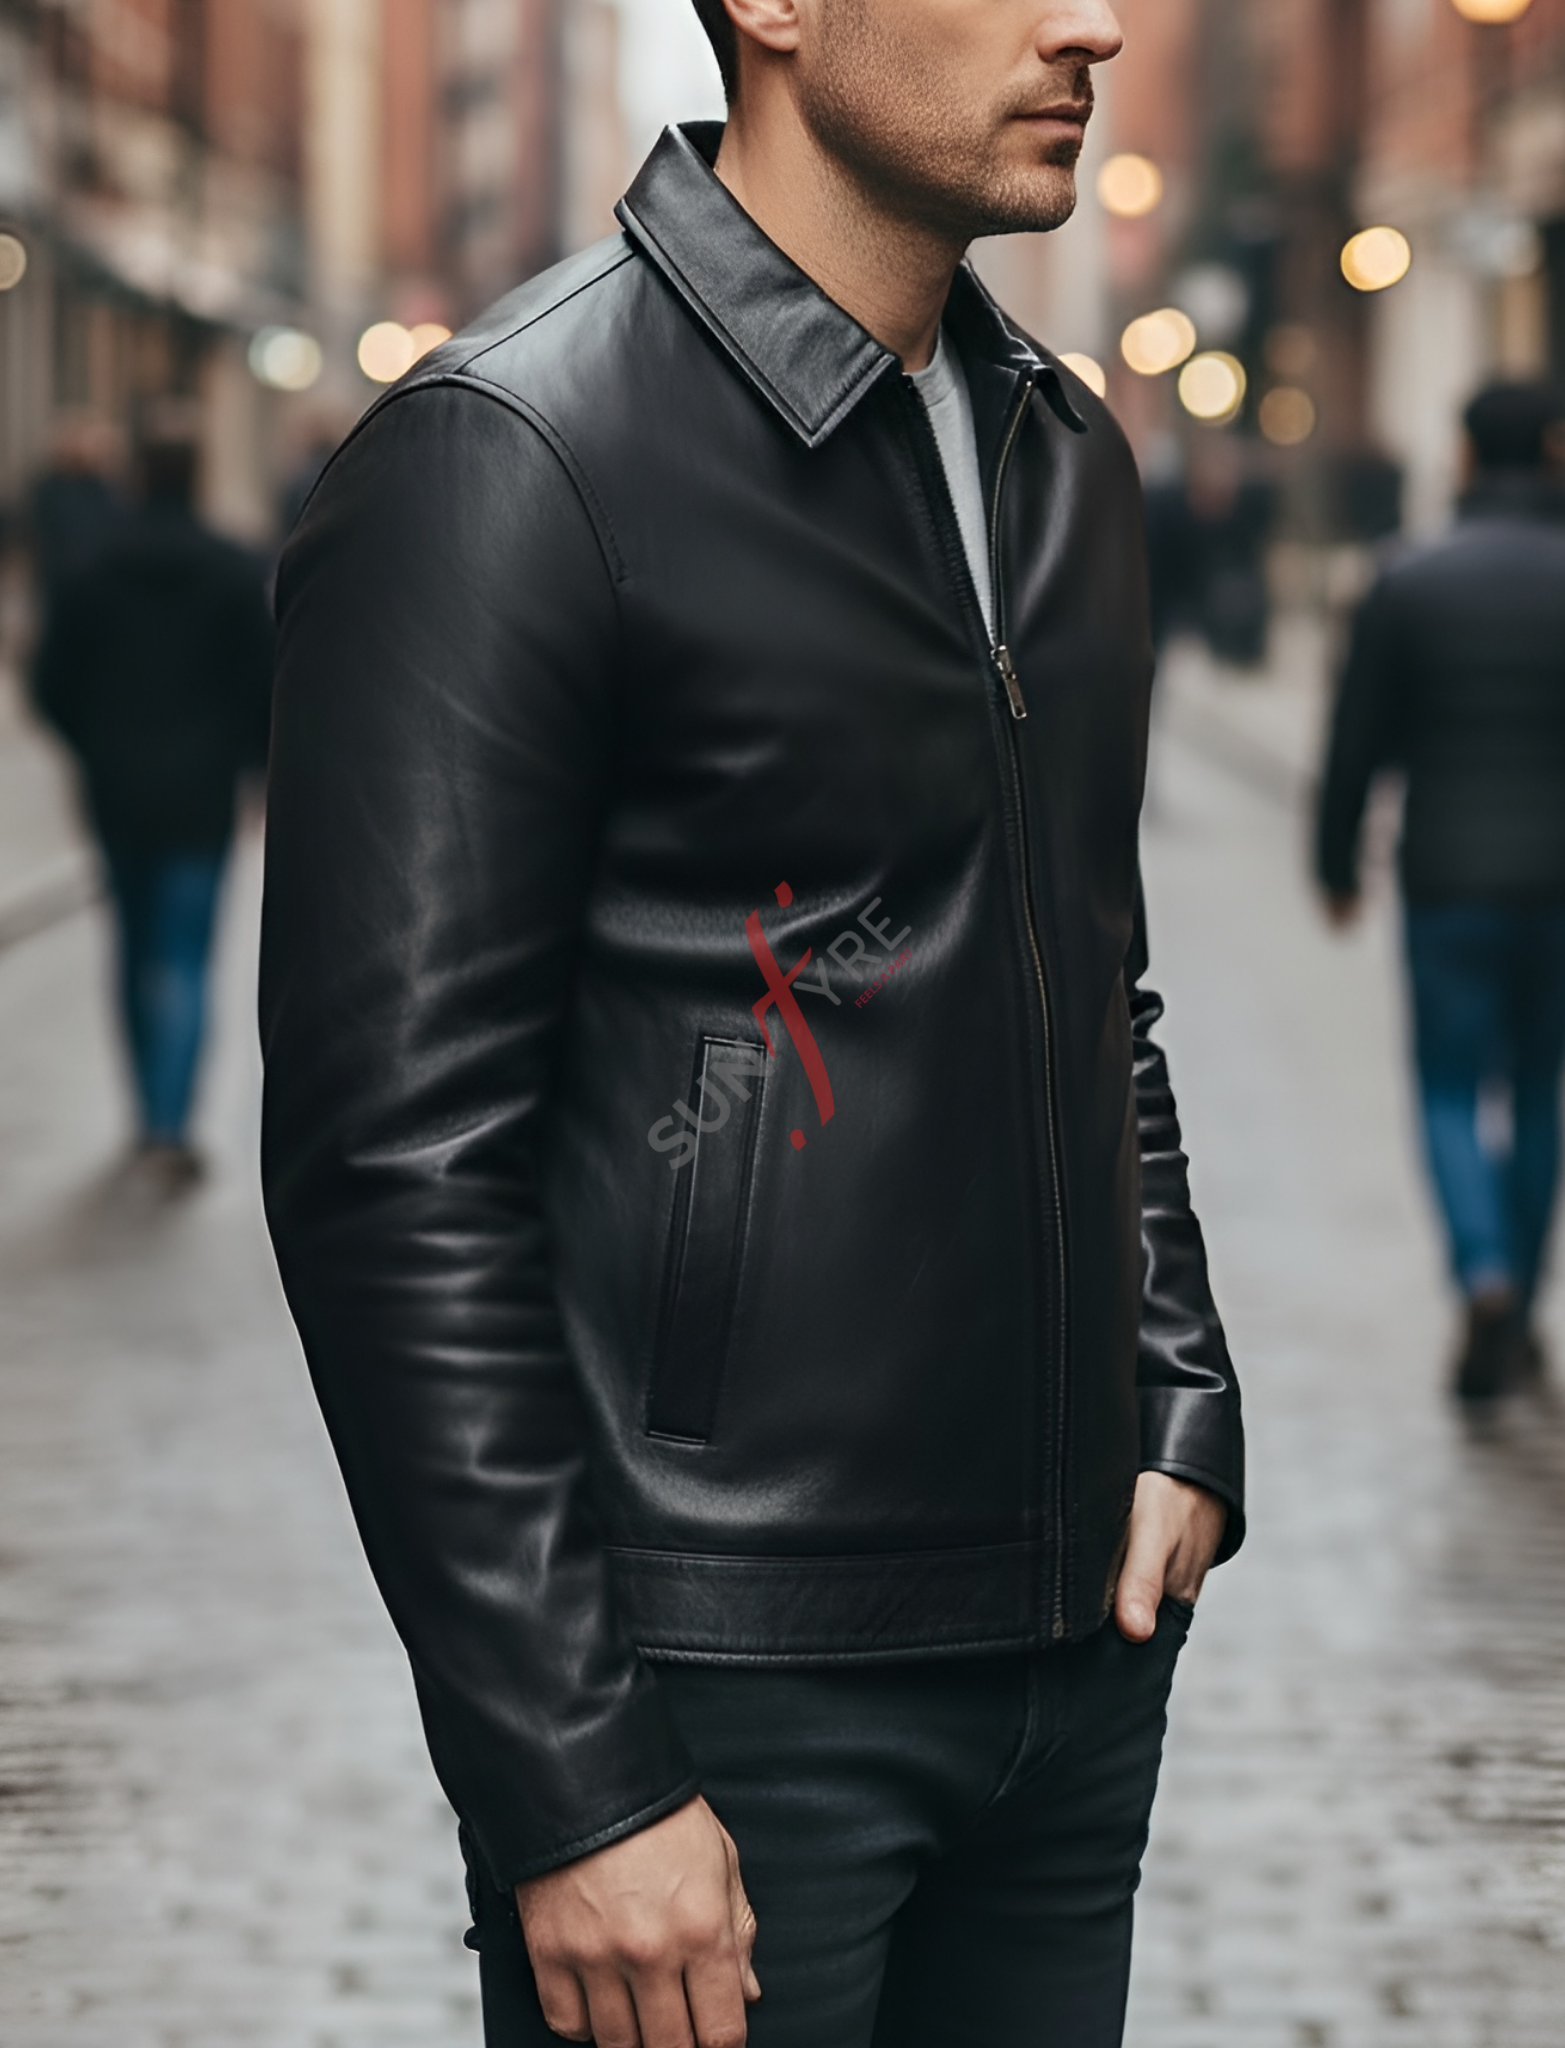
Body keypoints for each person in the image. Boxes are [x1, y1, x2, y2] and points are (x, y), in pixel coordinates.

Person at [260, 2, 1245, 2043]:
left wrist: (1173, 1394)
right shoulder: (512, 456)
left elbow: (1088, 974)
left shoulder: (1060, 453)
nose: (1094, 23)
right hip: (718, 1686)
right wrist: (570, 1771)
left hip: (1067, 1668)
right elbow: (389, 1174)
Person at [1317, 380, 1565, 1403]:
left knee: (1449, 1087)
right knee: (1539, 1089)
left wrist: (1333, 863)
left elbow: (1353, 739)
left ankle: (1482, 1272)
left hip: (1445, 881)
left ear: (1460, 459)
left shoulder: (1406, 578)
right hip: (1555, 885)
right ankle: (1517, 1289)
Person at [33, 432, 273, 1187]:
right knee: (185, 952)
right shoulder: (233, 570)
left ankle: (147, 1115)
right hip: (200, 792)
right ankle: (169, 1122)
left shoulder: (90, 569)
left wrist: (95, 743)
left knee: (134, 945)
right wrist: (252, 765)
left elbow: (49, 681)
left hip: (116, 784)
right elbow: (265, 681)